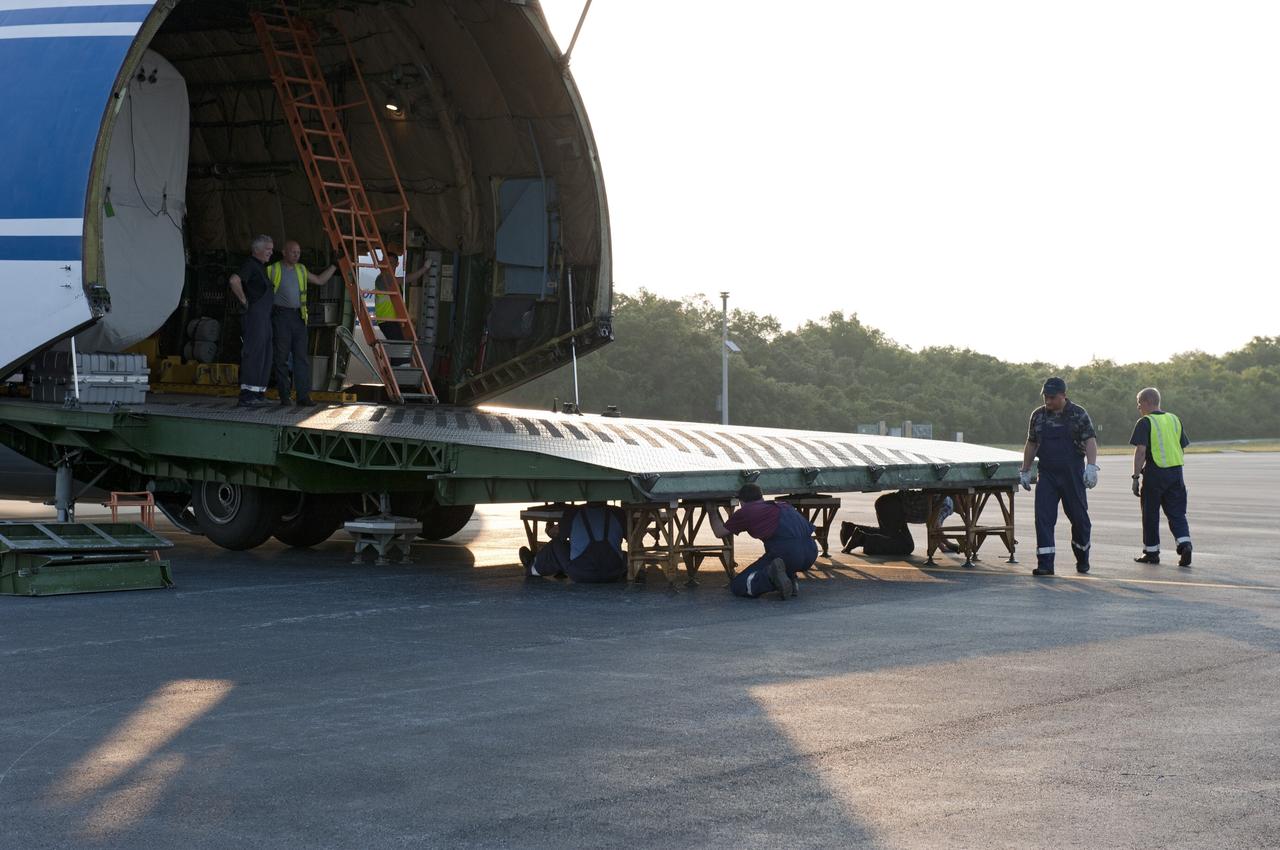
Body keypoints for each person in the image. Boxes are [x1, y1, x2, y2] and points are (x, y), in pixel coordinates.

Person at [1019, 376, 1100, 576]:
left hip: (1072, 473)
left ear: (1064, 395)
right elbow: (1031, 442)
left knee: (1079, 519)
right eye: (1045, 396)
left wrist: (1091, 466)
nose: (1048, 401)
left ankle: (1082, 556)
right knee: (1043, 518)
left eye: (1052, 397)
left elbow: (1089, 440)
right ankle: (1045, 563)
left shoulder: (1078, 414)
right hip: (1047, 474)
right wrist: (1025, 469)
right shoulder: (1038, 415)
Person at [706, 484, 818, 600]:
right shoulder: (784, 505)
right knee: (777, 559)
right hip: (811, 551)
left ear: (741, 501)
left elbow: (719, 532)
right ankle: (789, 579)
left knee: (738, 585)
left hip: (788, 554)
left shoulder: (746, 511)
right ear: (761, 497)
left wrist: (712, 511)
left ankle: (772, 578)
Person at [267, 240, 336, 406]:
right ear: (284, 252)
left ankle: (303, 396)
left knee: (301, 358)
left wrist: (334, 266)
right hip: (281, 316)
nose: (296, 255)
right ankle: (284, 396)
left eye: (298, 252)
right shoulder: (273, 269)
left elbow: (319, 280)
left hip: (299, 318)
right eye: (293, 252)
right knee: (281, 358)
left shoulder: (301, 269)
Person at [1130, 386, 1193, 566]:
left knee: (1150, 513)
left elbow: (1140, 452)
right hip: (1176, 472)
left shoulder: (1145, 422)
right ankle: (1184, 544)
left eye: (1139, 403)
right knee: (1177, 513)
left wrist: (1135, 477)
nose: (1138, 407)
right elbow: (1181, 446)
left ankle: (1151, 553)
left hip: (1155, 472)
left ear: (1148, 402)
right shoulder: (1174, 419)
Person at [519, 503, 627, 583]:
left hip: (581, 573)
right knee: (624, 554)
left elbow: (558, 537)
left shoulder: (573, 512)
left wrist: (549, 529)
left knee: (556, 545)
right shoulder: (619, 513)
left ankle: (533, 567)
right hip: (614, 572)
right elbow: (633, 538)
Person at [227, 234, 275, 408]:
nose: (271, 252)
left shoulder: (261, 267)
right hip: (255, 317)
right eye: (268, 249)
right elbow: (234, 280)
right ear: (257, 250)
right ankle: (247, 395)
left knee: (266, 355)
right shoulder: (250, 265)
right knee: (254, 354)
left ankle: (258, 393)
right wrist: (244, 301)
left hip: (264, 318)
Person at [839, 491, 957, 556]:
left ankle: (851, 530)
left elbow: (934, 525)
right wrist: (948, 545)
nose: (970, 507)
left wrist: (943, 546)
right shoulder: (948, 503)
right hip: (894, 508)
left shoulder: (944, 498)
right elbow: (934, 525)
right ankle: (863, 539)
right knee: (905, 545)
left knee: (888, 534)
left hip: (888, 504)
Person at [374, 247, 432, 360]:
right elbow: (407, 279)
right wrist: (424, 268)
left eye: (391, 262)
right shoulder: (382, 278)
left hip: (393, 321)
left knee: (400, 350)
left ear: (397, 264)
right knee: (401, 351)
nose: (388, 265)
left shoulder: (392, 280)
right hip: (386, 321)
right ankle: (391, 360)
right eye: (386, 262)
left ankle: (393, 365)